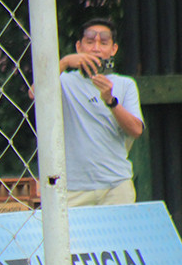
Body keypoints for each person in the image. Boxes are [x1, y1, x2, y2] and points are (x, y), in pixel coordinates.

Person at [56, 18, 144, 206]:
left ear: (113, 49)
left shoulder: (125, 84)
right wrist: (64, 62)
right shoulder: (64, 81)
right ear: (79, 47)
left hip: (116, 185)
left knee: (121, 236)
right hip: (74, 186)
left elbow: (136, 130)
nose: (96, 48)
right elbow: (34, 93)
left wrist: (111, 101)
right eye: (90, 42)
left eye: (103, 43)